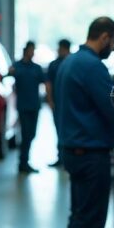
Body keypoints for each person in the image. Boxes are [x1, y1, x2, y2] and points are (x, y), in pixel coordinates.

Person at [55, 17, 114, 228]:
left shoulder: (71, 62)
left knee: (80, 221)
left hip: (76, 150)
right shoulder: (92, 66)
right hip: (90, 154)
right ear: (105, 36)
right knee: (89, 223)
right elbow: (112, 108)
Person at [10, 41, 46, 174]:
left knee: (31, 134)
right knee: (25, 134)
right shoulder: (16, 66)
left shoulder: (36, 68)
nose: (33, 53)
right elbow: (9, 77)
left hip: (34, 106)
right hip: (23, 106)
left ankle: (24, 161)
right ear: (26, 51)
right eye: (31, 50)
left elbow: (45, 82)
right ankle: (23, 163)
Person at [45, 38, 71, 168]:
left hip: (70, 105)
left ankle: (67, 157)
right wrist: (50, 101)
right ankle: (60, 157)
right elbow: (48, 84)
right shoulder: (54, 64)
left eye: (60, 49)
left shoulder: (72, 63)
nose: (58, 51)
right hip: (58, 104)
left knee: (69, 130)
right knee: (59, 130)